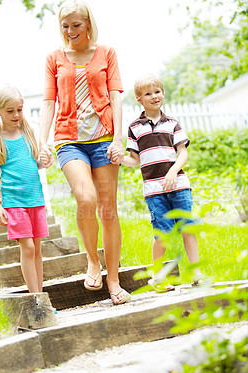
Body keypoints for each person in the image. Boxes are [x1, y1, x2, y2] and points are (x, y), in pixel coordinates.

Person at [39, 0, 130, 304]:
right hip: (69, 140)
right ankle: (93, 260)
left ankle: (114, 281)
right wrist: (41, 141)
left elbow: (116, 97)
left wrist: (118, 139)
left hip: (104, 139)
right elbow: (49, 103)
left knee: (108, 209)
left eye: (76, 25)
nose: (70, 31)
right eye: (65, 26)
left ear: (88, 24)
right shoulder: (54, 58)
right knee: (86, 199)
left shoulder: (107, 53)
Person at [121, 73, 202, 286]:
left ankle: (196, 273)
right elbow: (134, 160)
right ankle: (158, 275)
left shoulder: (172, 124)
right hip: (154, 191)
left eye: (157, 92)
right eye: (148, 94)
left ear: (163, 93)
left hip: (179, 186)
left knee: (188, 227)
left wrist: (174, 171)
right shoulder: (135, 127)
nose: (154, 96)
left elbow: (182, 152)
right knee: (161, 234)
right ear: (139, 98)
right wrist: (119, 158)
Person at [0, 86, 49, 293]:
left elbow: (34, 163)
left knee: (37, 249)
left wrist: (44, 161)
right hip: (14, 202)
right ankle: (35, 298)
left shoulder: (27, 131)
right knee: (28, 247)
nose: (16, 115)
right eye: (10, 111)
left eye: (19, 110)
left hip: (35, 199)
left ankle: (41, 296)